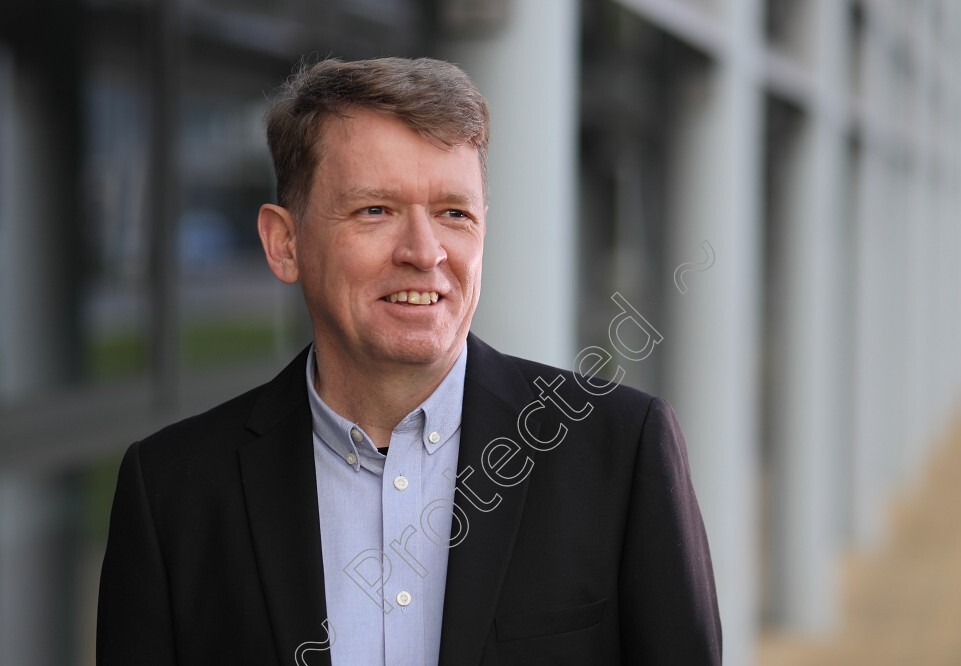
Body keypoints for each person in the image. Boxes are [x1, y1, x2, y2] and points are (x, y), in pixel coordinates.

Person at [97, 57, 721, 666]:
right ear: (284, 243)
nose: (425, 253)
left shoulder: (620, 451)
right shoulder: (171, 492)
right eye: (376, 210)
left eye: (454, 213)